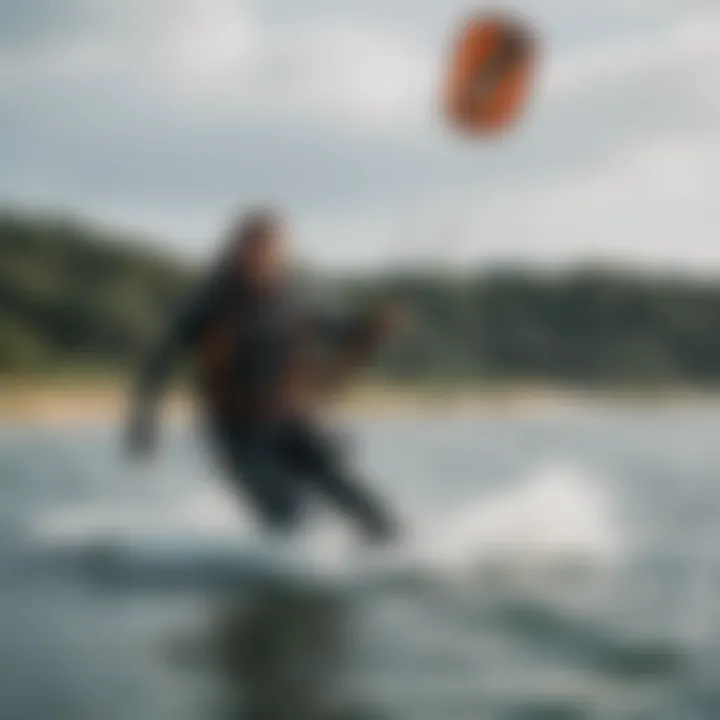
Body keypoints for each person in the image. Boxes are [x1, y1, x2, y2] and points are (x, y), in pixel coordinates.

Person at [126, 209, 401, 542]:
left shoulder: (293, 298)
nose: (264, 259)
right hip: (238, 433)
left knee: (363, 504)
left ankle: (387, 549)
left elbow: (342, 331)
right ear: (237, 251)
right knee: (287, 513)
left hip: (293, 422)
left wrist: (372, 325)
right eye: (255, 250)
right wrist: (144, 426)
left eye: (272, 251)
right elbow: (158, 364)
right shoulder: (211, 303)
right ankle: (300, 567)